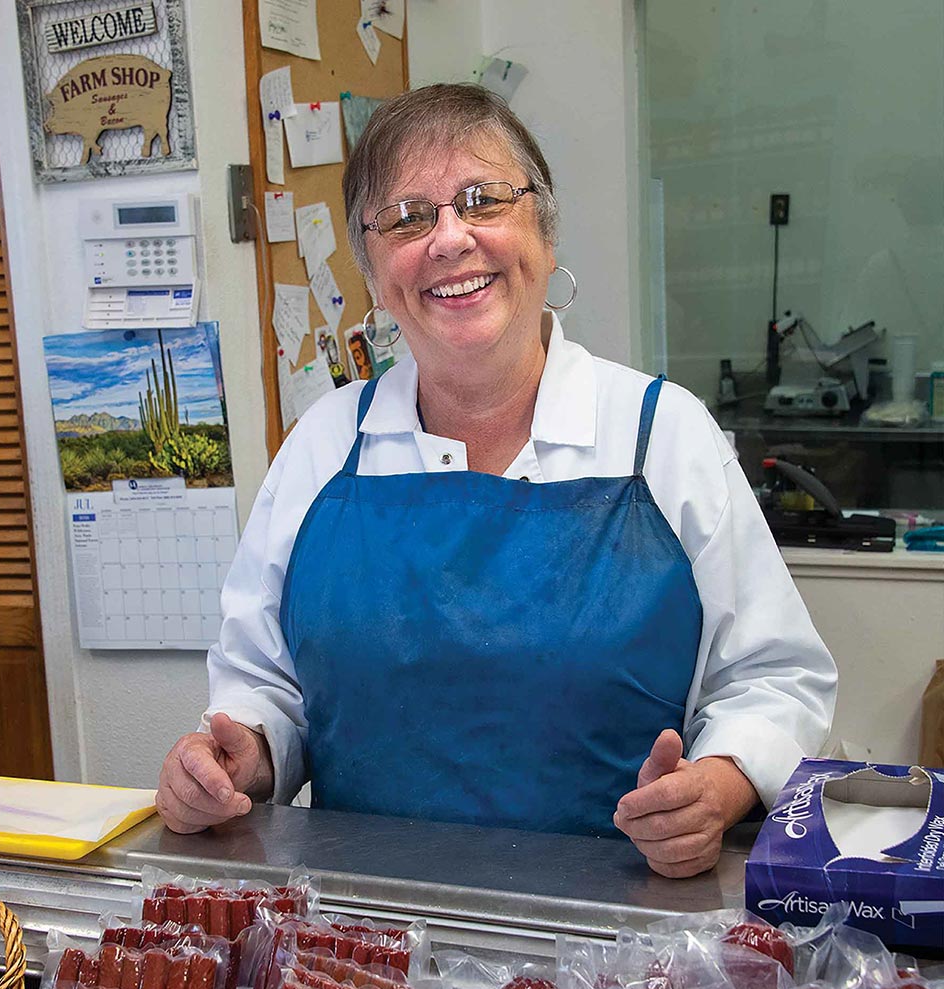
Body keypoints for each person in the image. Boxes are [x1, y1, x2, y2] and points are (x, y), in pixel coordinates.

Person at [157, 84, 836, 878]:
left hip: (617, 939)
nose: (450, 238)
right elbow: (267, 685)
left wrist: (720, 786)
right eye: (409, 217)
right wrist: (241, 758)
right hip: (363, 942)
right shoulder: (324, 447)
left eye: (483, 200)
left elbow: (774, 676)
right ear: (374, 275)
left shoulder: (661, 434)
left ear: (544, 235)